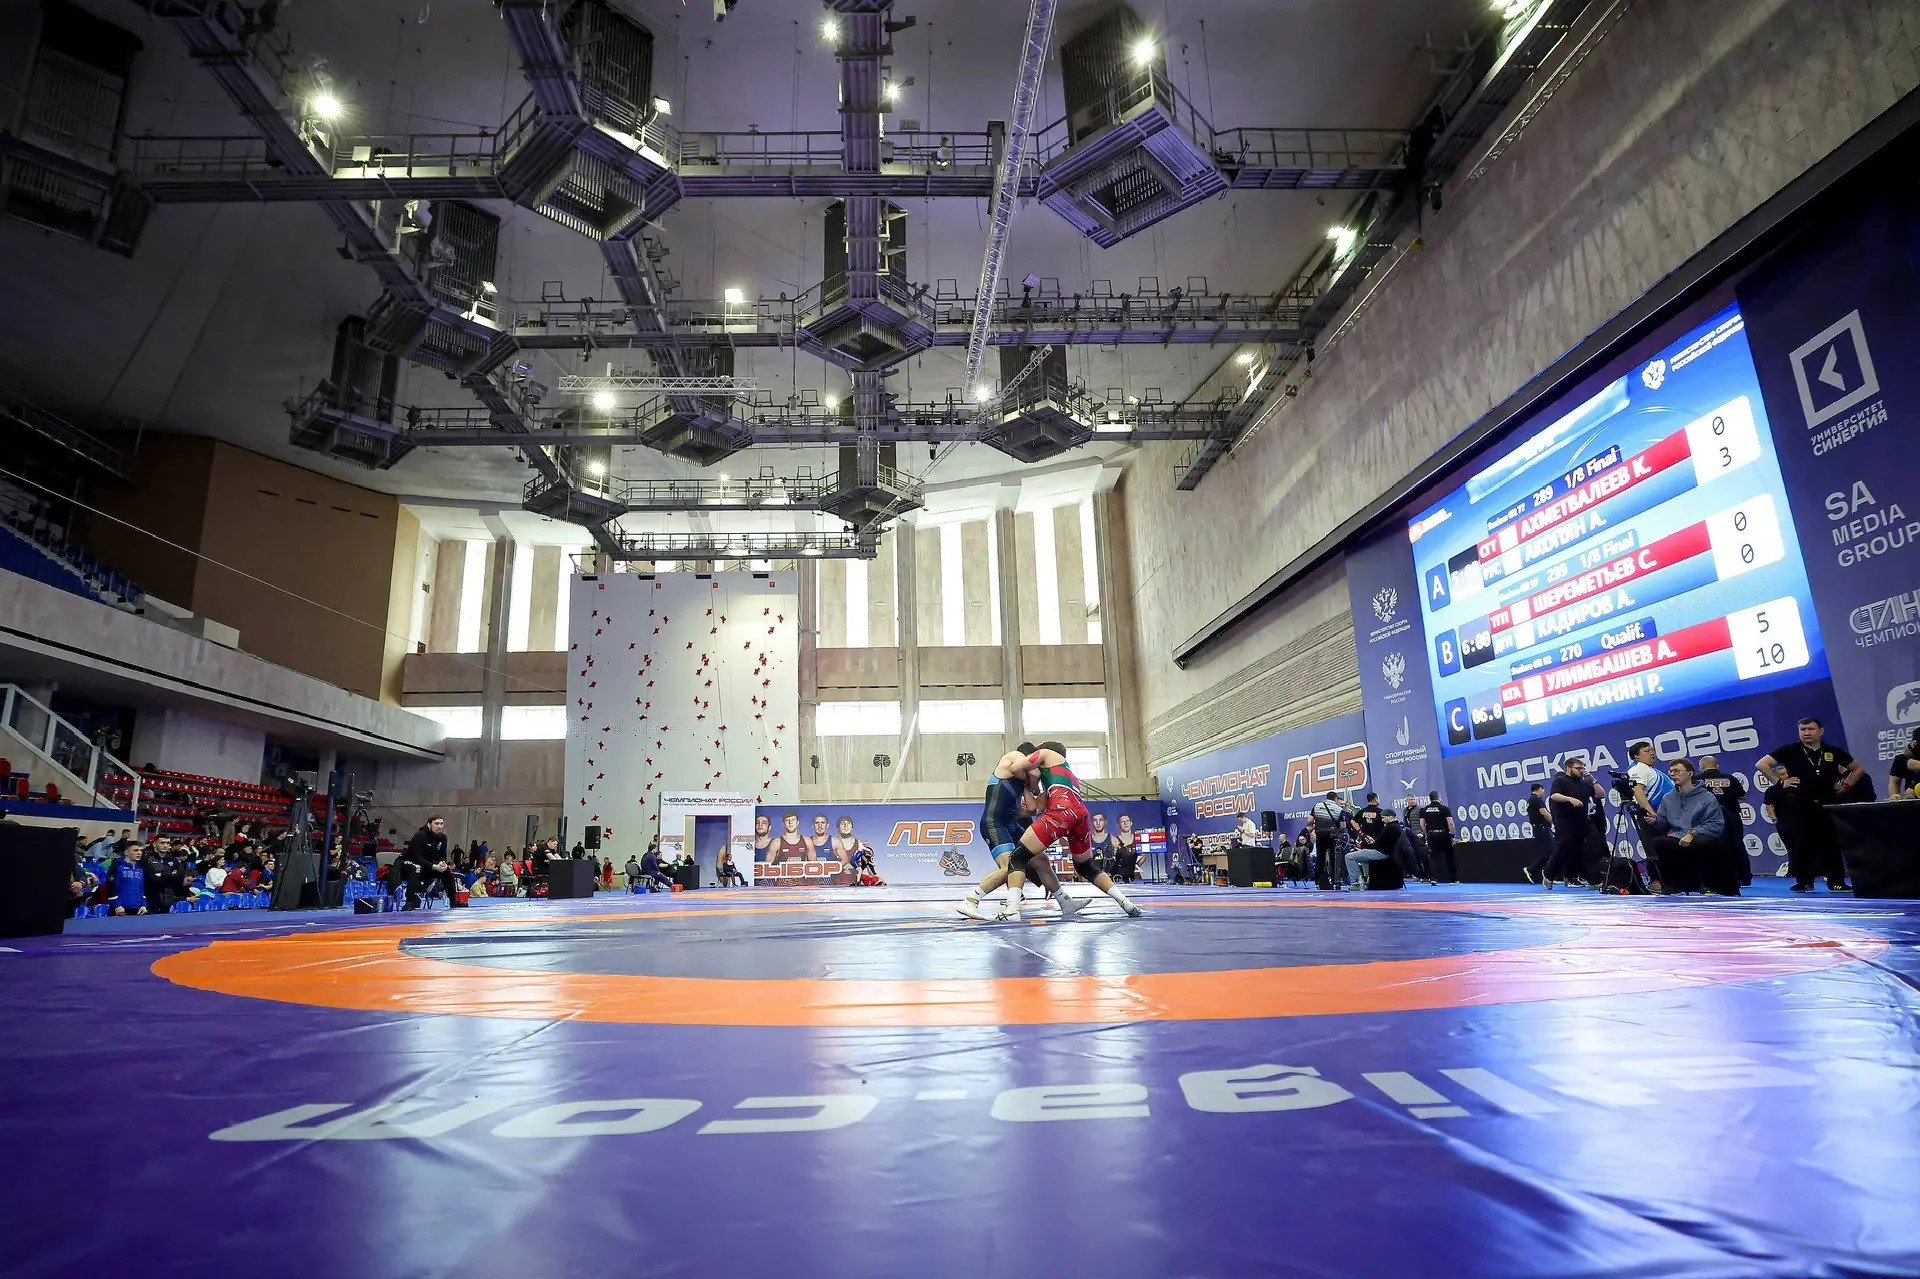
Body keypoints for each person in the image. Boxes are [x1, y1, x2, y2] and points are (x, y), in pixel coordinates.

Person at [1007, 742, 1143, 918]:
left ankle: (1012, 909)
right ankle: (1124, 901)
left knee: (1017, 857)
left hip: (1061, 812)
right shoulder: (1065, 777)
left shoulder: (1046, 753)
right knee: (1086, 867)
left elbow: (1015, 767)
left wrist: (1026, 779)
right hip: (1081, 815)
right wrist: (1029, 788)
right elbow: (1034, 808)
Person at [1756, 718, 1863, 892]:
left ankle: (1836, 881)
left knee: (1832, 844)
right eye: (1803, 729)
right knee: (1801, 843)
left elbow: (1857, 768)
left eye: (1811, 729)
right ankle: (1804, 881)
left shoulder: (1833, 751)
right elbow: (1762, 764)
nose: (1806, 733)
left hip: (1828, 802)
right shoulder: (1790, 750)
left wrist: (1845, 786)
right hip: (1800, 802)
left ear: (1821, 731)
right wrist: (1780, 782)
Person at [960, 742, 1060, 920]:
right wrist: (1034, 782)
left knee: (1041, 859)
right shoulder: (1013, 756)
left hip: (1011, 824)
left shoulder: (1019, 782)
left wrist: (1030, 790)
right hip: (994, 824)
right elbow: (1035, 773)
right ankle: (970, 901)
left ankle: (1065, 901)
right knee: (1008, 867)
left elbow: (1030, 810)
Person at [1640, 758, 1735, 895]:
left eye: (1677, 771)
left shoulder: (1707, 797)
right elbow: (1663, 825)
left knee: (1702, 843)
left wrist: (1693, 834)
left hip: (1701, 835)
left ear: (1690, 773)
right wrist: (1654, 821)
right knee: (1658, 843)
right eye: (1671, 771)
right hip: (1678, 836)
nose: (1673, 774)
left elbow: (1715, 824)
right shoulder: (1668, 798)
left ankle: (1706, 884)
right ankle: (1671, 884)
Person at [1543, 758, 1601, 889]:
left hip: (1583, 820)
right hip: (1565, 820)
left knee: (1594, 843)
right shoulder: (1561, 780)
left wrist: (1593, 780)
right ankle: (1548, 874)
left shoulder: (1584, 782)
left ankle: (1593, 879)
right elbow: (1554, 795)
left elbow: (1600, 794)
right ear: (1569, 768)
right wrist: (1570, 799)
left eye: (1582, 768)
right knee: (1565, 847)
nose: (1581, 771)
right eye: (1578, 768)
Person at [1697, 755, 1751, 887]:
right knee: (1737, 845)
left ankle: (1717, 877)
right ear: (1717, 766)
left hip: (1708, 819)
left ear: (1702, 766)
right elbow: (1743, 796)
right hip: (1732, 816)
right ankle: (1744, 878)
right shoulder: (1730, 778)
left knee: (1710, 847)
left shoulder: (1697, 780)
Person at [398, 816, 457, 910]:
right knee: (417, 868)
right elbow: (416, 857)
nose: (439, 826)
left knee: (446, 871)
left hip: (430, 867)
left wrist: (442, 863)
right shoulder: (420, 835)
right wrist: (434, 866)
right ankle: (410, 902)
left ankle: (454, 901)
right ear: (429, 824)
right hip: (411, 865)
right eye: (436, 823)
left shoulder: (443, 837)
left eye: (441, 824)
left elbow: (442, 855)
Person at [1308, 791, 1358, 888]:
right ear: (1335, 798)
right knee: (1334, 858)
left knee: (1320, 858)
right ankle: (1335, 881)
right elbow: (1343, 826)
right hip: (1333, 836)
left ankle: (1317, 881)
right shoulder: (1338, 809)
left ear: (1326, 797)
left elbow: (1309, 820)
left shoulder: (1317, 806)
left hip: (1320, 834)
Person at [1418, 791, 1459, 883]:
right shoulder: (1444, 809)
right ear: (1439, 797)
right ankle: (1453, 879)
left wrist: (1426, 834)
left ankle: (1433, 878)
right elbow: (1450, 823)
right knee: (1449, 856)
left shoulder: (1424, 810)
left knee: (1433, 857)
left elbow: (1422, 824)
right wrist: (1452, 835)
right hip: (1444, 835)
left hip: (1432, 835)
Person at [104, 843, 150, 916]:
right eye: (135, 850)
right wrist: (116, 905)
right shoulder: (117, 866)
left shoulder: (141, 868)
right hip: (120, 909)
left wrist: (143, 905)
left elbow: (142, 888)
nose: (139, 853)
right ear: (126, 852)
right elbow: (110, 886)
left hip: (138, 909)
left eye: (141, 850)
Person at [1523, 783, 1554, 884]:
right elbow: (1544, 813)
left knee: (1549, 851)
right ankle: (1532, 869)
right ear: (1540, 789)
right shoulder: (1536, 799)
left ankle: (1546, 873)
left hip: (1538, 828)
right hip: (1542, 828)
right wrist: (1555, 822)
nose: (1544, 792)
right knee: (1552, 850)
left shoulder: (1530, 800)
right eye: (1543, 790)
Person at [1887, 727, 1920, 800]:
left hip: (1914, 794)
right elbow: (1894, 781)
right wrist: (1895, 796)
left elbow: (1911, 764)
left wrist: (1911, 764)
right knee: (1899, 759)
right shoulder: (1911, 751)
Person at [1114, 813, 1140, 883]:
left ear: (1131, 823)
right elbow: (1115, 859)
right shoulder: (1114, 840)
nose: (1125, 823)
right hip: (1121, 874)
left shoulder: (1138, 838)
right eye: (1123, 822)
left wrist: (1133, 865)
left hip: (1135, 874)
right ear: (1118, 825)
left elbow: (1143, 856)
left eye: (1127, 821)